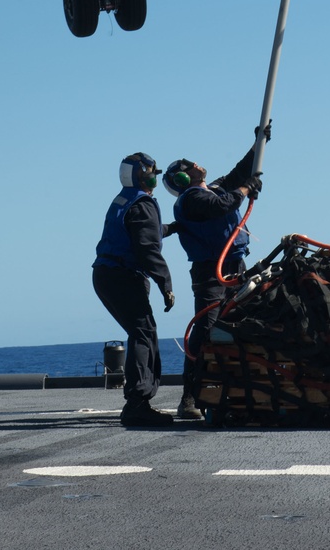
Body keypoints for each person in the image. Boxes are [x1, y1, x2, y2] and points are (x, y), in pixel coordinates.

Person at [163, 126, 268, 421]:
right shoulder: (191, 200)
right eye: (188, 166)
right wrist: (247, 189)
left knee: (242, 322)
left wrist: (258, 142)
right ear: (182, 178)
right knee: (206, 329)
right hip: (211, 272)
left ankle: (235, 389)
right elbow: (223, 204)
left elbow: (240, 171)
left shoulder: (214, 188)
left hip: (235, 268)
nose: (196, 164)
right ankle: (189, 398)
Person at [92, 151, 176, 428]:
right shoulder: (142, 204)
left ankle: (138, 401)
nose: (155, 176)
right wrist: (166, 283)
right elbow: (146, 248)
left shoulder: (126, 200)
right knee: (143, 333)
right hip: (122, 276)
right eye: (153, 171)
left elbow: (145, 232)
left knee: (141, 331)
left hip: (106, 274)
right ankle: (137, 403)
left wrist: (173, 228)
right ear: (144, 175)